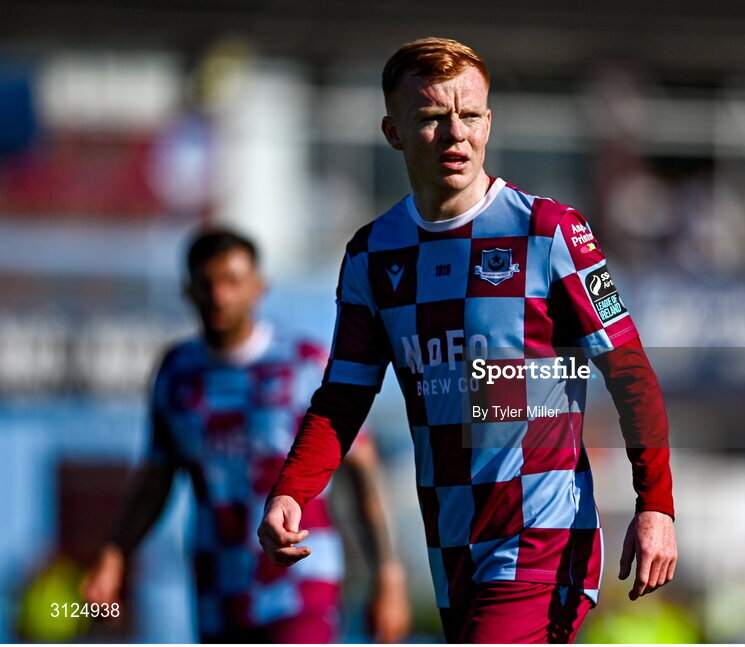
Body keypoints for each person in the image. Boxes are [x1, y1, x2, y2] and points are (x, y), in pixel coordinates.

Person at [258, 37, 677, 644]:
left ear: (489, 122)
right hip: (452, 544)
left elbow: (629, 372)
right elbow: (343, 396)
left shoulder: (550, 232)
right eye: (431, 117)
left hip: (543, 537)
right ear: (393, 131)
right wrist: (293, 490)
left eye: (471, 114)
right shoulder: (374, 255)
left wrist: (656, 504)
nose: (456, 133)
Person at [82, 228, 410, 643]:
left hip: (301, 584)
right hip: (217, 583)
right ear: (189, 291)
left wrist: (388, 573)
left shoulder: (303, 365)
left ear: (259, 287)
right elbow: (155, 478)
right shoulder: (177, 373)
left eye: (232, 282)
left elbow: (363, 473)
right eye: (208, 284)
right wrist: (115, 555)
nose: (220, 296)